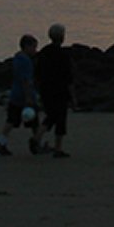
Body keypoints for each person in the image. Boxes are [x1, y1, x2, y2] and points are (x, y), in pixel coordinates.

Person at [0, 34, 43, 156]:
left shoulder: (17, 59)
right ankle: (37, 144)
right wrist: (29, 98)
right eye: (33, 47)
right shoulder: (26, 61)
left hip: (15, 94)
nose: (35, 50)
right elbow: (26, 81)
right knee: (34, 122)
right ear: (26, 46)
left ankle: (1, 142)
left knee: (11, 121)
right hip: (23, 96)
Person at [35, 23, 76, 158]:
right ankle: (57, 147)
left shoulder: (43, 52)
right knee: (60, 119)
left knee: (51, 115)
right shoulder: (63, 55)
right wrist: (73, 97)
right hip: (60, 90)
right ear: (62, 38)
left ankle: (38, 137)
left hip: (45, 89)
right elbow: (68, 77)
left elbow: (38, 72)